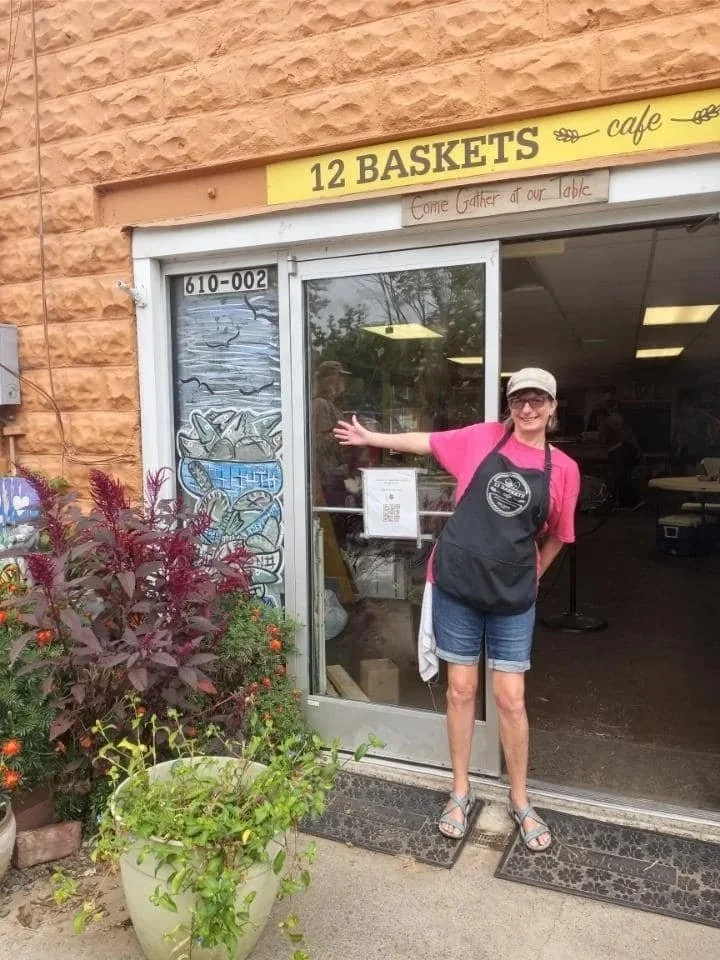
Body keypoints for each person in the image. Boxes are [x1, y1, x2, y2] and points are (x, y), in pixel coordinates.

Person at [334, 368, 580, 852]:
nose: (527, 410)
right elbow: (424, 440)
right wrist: (371, 436)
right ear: (509, 406)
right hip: (456, 588)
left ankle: (521, 800)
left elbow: (558, 535)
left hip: (512, 598)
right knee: (461, 691)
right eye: (519, 401)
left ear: (553, 407)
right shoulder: (483, 439)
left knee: (511, 699)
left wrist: (532, 576)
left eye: (537, 401)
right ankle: (460, 791)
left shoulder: (564, 468)